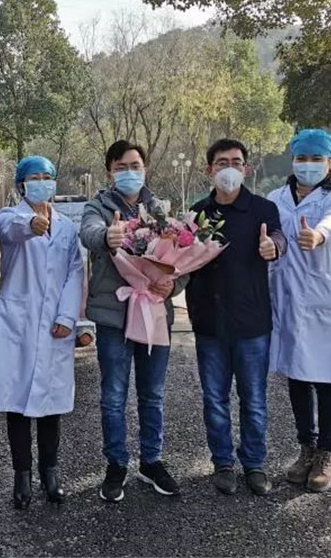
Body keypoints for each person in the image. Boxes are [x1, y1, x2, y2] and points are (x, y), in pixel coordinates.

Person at [0, 156, 84, 510]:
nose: (42, 182)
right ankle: (22, 475)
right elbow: (10, 229)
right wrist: (32, 224)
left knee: (51, 405)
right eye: (34, 177)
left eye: (47, 176)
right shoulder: (10, 216)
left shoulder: (66, 227)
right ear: (21, 184)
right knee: (16, 404)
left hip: (54, 325)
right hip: (18, 322)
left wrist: (68, 316)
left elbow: (75, 273)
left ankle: (51, 472)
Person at [80, 140, 187, 503]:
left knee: (152, 393)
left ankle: (151, 460)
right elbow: (89, 233)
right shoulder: (98, 207)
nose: (129, 172)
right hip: (114, 316)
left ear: (145, 169)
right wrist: (108, 236)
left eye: (135, 165)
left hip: (154, 312)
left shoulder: (161, 210)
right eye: (121, 167)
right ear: (109, 172)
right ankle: (116, 463)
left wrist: (172, 285)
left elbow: (183, 258)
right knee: (113, 395)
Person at [185, 139, 286, 496]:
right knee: (214, 398)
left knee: (254, 398)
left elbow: (278, 237)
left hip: (251, 321)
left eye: (236, 162)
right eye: (221, 162)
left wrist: (273, 246)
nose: (229, 168)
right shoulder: (197, 213)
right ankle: (223, 463)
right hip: (209, 321)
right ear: (209, 170)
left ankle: (254, 463)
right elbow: (182, 259)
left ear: (246, 168)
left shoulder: (263, 209)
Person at [268, 129, 331, 493]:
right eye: (301, 158)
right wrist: (270, 244)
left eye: (316, 159)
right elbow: (269, 233)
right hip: (287, 298)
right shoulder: (275, 198)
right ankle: (306, 448)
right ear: (293, 161)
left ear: (330, 162)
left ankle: (326, 454)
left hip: (322, 299)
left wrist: (318, 235)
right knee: (298, 376)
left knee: (328, 378)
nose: (307, 165)